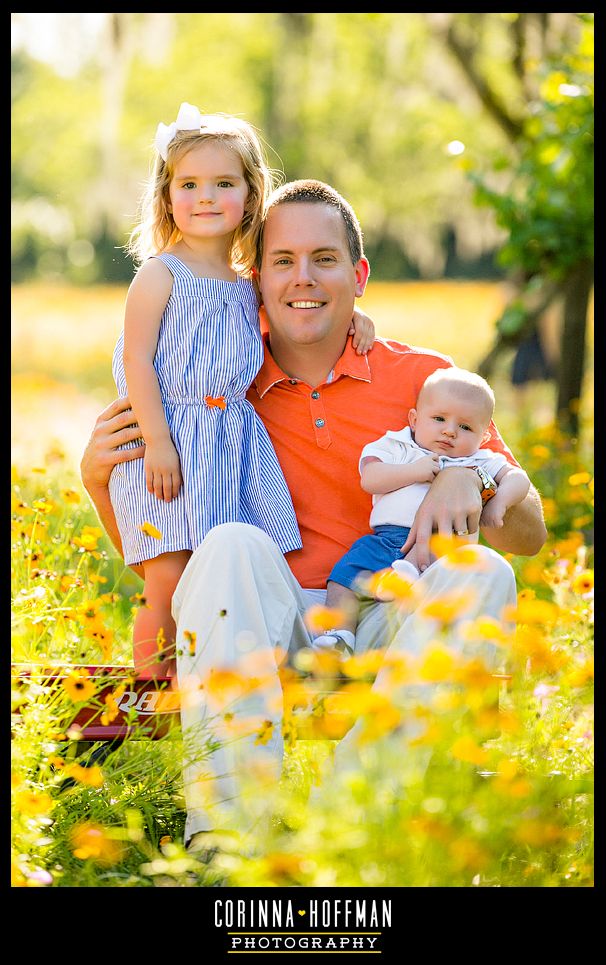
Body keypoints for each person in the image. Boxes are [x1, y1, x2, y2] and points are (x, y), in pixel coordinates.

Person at [81, 179, 547, 850]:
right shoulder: (216, 377)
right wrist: (97, 482)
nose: (305, 278)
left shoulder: (426, 381)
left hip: (392, 615)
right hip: (269, 624)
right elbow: (164, 544)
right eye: (284, 260)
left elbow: (528, 535)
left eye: (324, 259)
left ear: (358, 275)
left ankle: (347, 831)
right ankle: (230, 841)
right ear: (256, 280)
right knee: (231, 543)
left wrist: (465, 479)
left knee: (485, 570)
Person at [108, 104, 374, 677]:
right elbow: (136, 362)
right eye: (190, 184)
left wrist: (358, 319)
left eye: (223, 183)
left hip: (229, 449)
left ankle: (213, 672)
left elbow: (297, 309)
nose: (206, 197)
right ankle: (155, 689)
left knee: (220, 568)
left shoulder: (247, 284)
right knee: (169, 575)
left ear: (252, 196)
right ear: (167, 194)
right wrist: (156, 442)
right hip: (173, 441)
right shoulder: (159, 275)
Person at [312, 366, 531, 653]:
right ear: (414, 420)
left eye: (465, 427)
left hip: (445, 544)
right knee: (343, 577)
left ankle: (409, 578)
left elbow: (518, 479)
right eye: (439, 419)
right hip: (385, 539)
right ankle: (339, 635)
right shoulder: (397, 445)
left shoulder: (478, 459)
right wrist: (414, 471)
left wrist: (498, 502)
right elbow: (371, 478)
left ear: (485, 436)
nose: (450, 431)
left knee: (449, 564)